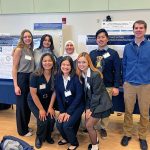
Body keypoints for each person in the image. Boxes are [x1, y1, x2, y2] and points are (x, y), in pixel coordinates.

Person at [121, 20, 150, 150]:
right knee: (128, 111)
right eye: (136, 28)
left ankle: (142, 137)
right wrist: (125, 80)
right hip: (130, 84)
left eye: (141, 28)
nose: (138, 30)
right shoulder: (127, 47)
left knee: (144, 113)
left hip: (145, 85)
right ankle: (127, 134)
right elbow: (124, 65)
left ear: (145, 30)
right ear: (133, 30)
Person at [76, 52, 112, 150]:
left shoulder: (95, 74)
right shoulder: (82, 75)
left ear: (88, 62)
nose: (81, 64)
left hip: (101, 104)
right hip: (93, 102)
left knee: (89, 125)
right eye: (79, 62)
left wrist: (90, 109)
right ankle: (95, 140)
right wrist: (87, 108)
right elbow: (87, 94)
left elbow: (96, 94)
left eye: (84, 62)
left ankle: (95, 146)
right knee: (88, 122)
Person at [89, 29, 121, 139]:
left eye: (103, 37)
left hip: (108, 85)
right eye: (98, 37)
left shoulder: (113, 53)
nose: (101, 39)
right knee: (93, 106)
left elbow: (117, 71)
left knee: (105, 108)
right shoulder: (92, 54)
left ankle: (103, 128)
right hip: (94, 86)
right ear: (96, 40)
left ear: (107, 39)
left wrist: (116, 86)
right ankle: (91, 124)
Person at [55, 56, 84, 150]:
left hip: (77, 106)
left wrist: (68, 112)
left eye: (68, 65)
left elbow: (79, 96)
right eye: (63, 64)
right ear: (60, 66)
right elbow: (58, 96)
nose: (65, 67)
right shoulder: (58, 77)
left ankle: (74, 143)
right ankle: (67, 138)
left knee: (67, 125)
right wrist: (62, 111)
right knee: (59, 124)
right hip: (65, 107)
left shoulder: (76, 78)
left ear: (72, 66)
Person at [27, 53, 56, 149]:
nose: (47, 63)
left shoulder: (55, 75)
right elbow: (33, 93)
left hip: (48, 101)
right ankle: (39, 138)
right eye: (45, 61)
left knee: (51, 119)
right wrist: (41, 109)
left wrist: (51, 107)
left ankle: (48, 136)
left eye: (49, 61)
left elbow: (55, 92)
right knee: (42, 120)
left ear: (53, 62)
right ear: (41, 62)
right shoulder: (35, 75)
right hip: (35, 100)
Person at [12, 29, 34, 136]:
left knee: (27, 104)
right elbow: (14, 68)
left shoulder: (30, 49)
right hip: (22, 78)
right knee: (21, 105)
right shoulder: (19, 50)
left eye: (29, 36)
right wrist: (16, 85)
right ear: (22, 38)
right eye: (25, 37)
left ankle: (25, 126)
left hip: (30, 78)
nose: (27, 38)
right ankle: (22, 131)